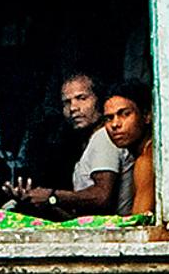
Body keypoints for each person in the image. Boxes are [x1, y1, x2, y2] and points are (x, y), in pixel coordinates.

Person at [25, 69, 102, 198]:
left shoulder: (105, 137)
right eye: (67, 102)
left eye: (81, 98)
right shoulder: (76, 144)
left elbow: (101, 197)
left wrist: (52, 197)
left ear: (99, 100)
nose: (73, 108)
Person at [101, 85, 158, 219]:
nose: (115, 124)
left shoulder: (146, 161)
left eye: (125, 114)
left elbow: (140, 223)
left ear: (147, 116)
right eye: (109, 118)